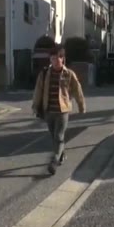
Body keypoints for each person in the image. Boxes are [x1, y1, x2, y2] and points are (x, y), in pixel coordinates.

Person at [32, 45, 86, 175]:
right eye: (52, 58)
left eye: (57, 58)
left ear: (63, 59)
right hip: (49, 111)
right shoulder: (44, 74)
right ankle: (61, 155)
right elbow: (38, 91)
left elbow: (77, 90)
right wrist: (35, 106)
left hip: (62, 111)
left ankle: (54, 161)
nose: (55, 61)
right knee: (54, 137)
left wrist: (81, 106)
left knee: (59, 136)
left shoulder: (69, 74)